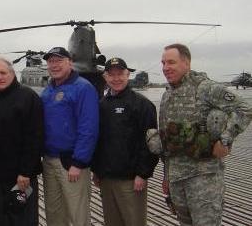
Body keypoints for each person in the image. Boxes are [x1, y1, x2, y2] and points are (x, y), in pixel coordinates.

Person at [159, 43, 252, 226]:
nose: (165, 68)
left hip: (203, 179)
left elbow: (245, 109)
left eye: (171, 62)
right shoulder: (167, 95)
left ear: (186, 63)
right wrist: (166, 176)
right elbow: (166, 141)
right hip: (177, 179)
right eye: (163, 63)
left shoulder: (205, 88)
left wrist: (225, 139)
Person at [91, 57, 159, 226]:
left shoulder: (142, 105)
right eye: (111, 75)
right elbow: (99, 141)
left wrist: (143, 174)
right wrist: (97, 171)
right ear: (105, 77)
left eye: (120, 73)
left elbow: (151, 144)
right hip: (107, 179)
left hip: (131, 180)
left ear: (127, 74)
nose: (116, 78)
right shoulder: (102, 105)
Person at [0, 57, 44, 226]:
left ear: (12, 74)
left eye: (3, 73)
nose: (0, 77)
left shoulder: (28, 97)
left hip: (20, 178)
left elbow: (35, 137)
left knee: (23, 220)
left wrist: (26, 171)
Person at [41, 47, 99, 226]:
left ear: (70, 62)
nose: (54, 65)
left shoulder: (83, 88)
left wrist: (79, 162)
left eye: (59, 60)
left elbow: (88, 128)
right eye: (51, 61)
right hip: (49, 160)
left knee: (78, 213)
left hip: (71, 163)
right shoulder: (48, 90)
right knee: (54, 213)